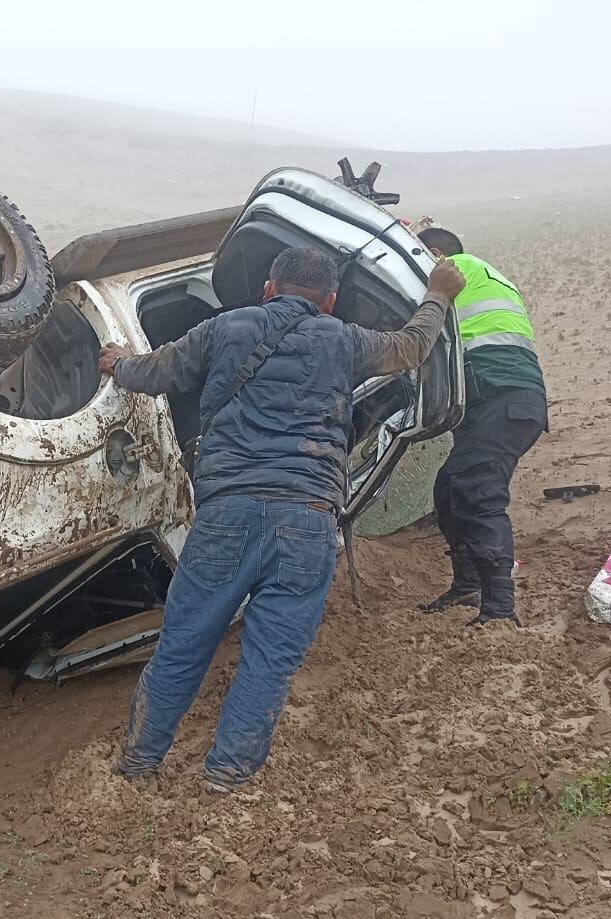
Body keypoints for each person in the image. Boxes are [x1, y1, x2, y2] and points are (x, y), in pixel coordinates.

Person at [97, 246, 465, 792]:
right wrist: (437, 293)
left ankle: (138, 765)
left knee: (184, 644)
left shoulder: (226, 327)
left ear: (269, 288)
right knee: (270, 659)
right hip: (307, 521)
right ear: (330, 300)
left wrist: (118, 361)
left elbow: (155, 373)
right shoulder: (343, 338)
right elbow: (411, 348)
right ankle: (225, 779)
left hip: (226, 517)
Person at [412, 227, 548, 628]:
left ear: (435, 254)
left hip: (499, 397)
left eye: (420, 254)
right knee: (449, 488)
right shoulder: (491, 276)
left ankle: (500, 608)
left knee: (477, 491)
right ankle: (468, 584)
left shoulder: (455, 269)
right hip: (509, 400)